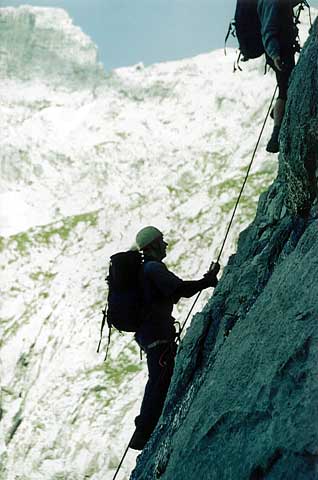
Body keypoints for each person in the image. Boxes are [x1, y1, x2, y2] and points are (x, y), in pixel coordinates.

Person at [129, 226, 220, 450]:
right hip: (157, 334)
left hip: (149, 334)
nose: (166, 244)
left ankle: (146, 428)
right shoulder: (152, 268)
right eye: (162, 241)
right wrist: (208, 280)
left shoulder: (142, 270)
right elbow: (181, 289)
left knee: (160, 377)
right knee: (159, 378)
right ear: (152, 246)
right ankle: (143, 431)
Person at [257, 0, 300, 153]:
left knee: (286, 88)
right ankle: (276, 134)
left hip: (281, 51)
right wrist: (275, 55)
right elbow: (268, 30)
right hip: (279, 53)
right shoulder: (271, 2)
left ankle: (277, 113)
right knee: (283, 91)